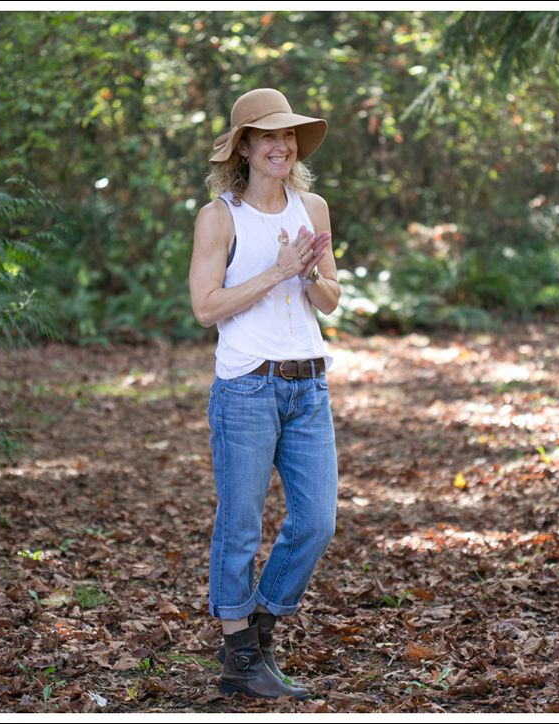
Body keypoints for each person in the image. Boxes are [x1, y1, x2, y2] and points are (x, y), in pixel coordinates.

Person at [188, 88, 340, 701]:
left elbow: (330, 297)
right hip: (247, 387)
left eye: (290, 136)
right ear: (244, 147)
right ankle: (239, 656)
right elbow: (205, 309)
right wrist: (275, 271)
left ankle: (258, 634)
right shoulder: (219, 217)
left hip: (308, 385)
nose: (282, 145)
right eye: (268, 136)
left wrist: (306, 272)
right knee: (241, 525)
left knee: (318, 520)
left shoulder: (314, 207)